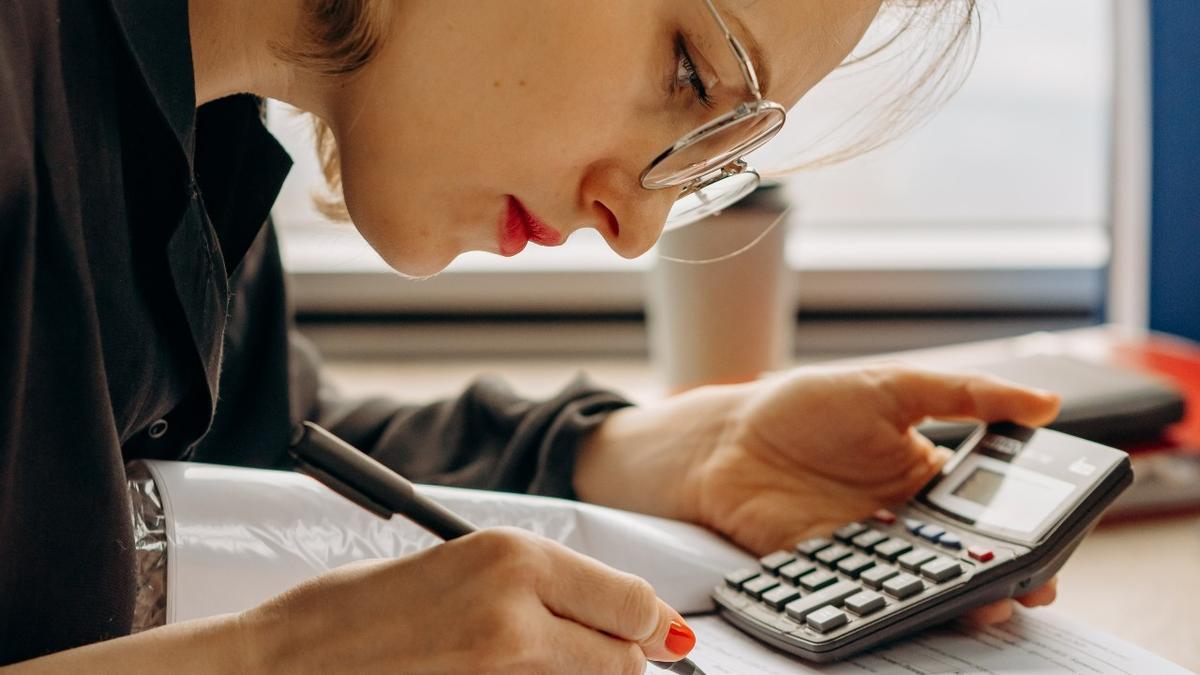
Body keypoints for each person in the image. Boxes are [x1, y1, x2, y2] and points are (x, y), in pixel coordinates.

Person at [0, 0, 1060, 671]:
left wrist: (633, 453)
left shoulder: (199, 128)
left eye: (710, 149)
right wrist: (274, 663)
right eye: (692, 71)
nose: (639, 227)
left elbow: (231, 451)